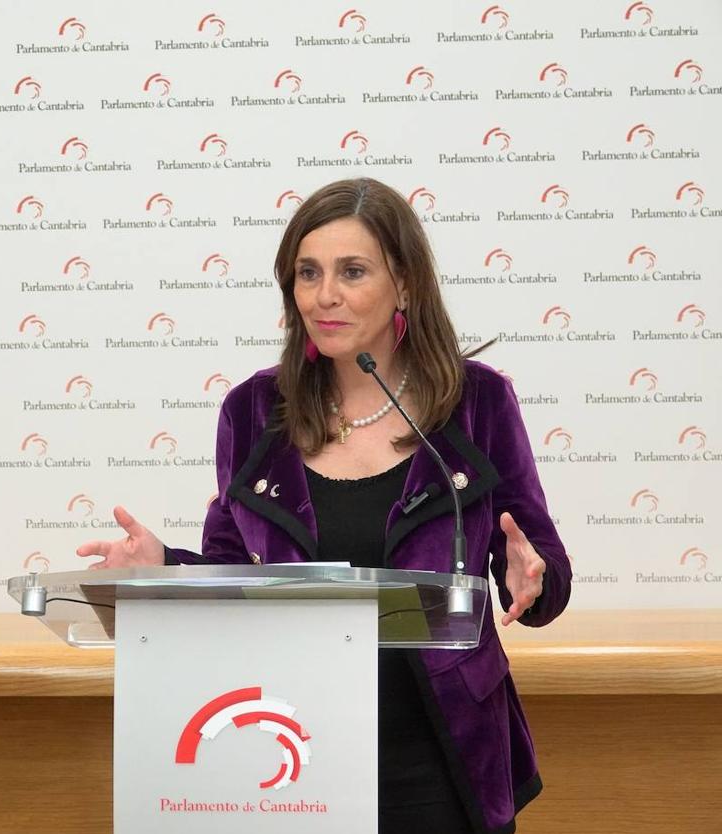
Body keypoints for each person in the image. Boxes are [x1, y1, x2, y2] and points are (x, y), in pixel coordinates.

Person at [77, 178, 572, 834]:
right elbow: (237, 577)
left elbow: (544, 573)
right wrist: (164, 565)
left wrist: (530, 579)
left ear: (404, 284)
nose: (324, 295)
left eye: (352, 271)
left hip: (441, 757)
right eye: (308, 273)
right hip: (291, 753)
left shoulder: (475, 403)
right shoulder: (255, 412)